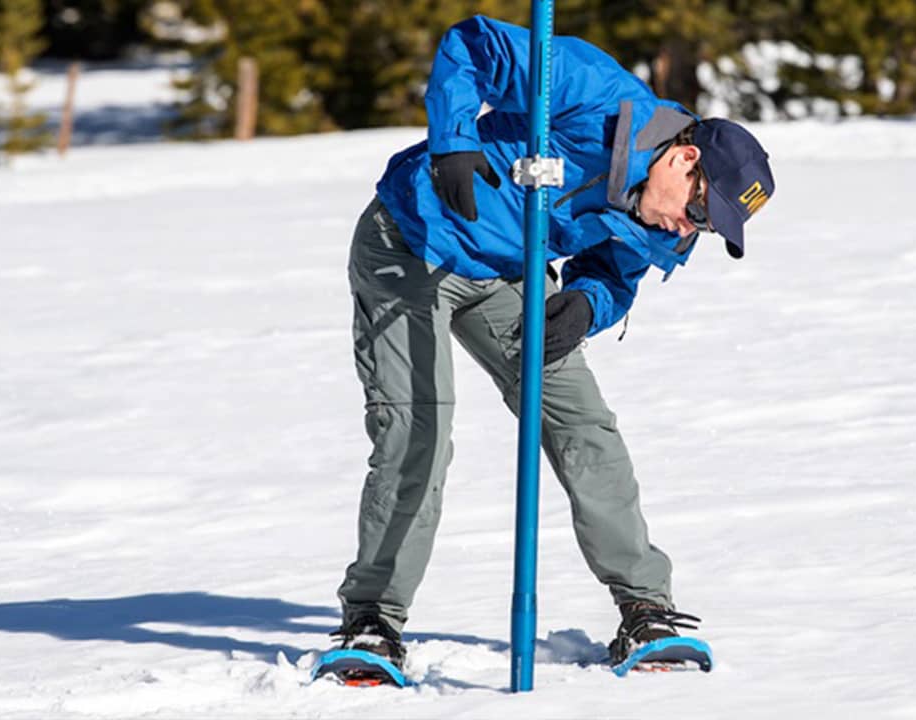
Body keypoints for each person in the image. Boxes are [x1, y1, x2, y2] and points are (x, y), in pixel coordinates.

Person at [331, 14, 775, 669]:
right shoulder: (597, 91)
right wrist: (453, 141)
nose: (692, 229)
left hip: (509, 273)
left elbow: (611, 275)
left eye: (707, 228)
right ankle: (373, 618)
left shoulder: (663, 219)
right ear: (685, 158)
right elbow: (472, 44)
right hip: (412, 242)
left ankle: (646, 610)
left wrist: (585, 306)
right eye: (702, 210)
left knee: (584, 425)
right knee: (417, 432)